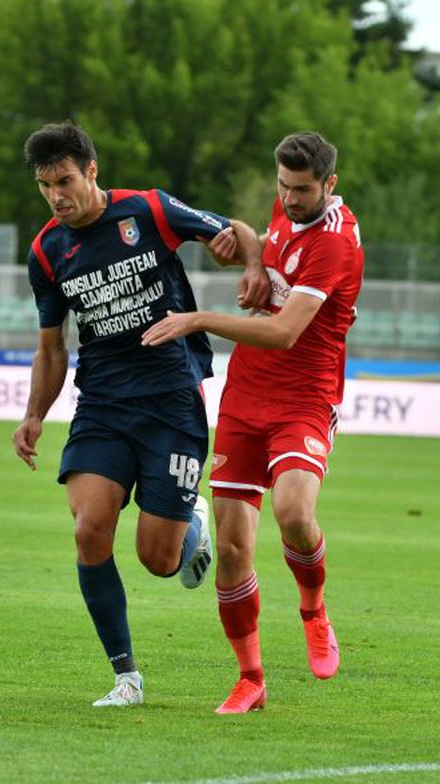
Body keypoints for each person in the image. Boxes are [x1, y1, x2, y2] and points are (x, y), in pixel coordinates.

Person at [12, 122, 266, 707]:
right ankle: (126, 676)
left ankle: (189, 526)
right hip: (102, 402)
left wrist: (249, 261)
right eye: (45, 185)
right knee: (88, 528)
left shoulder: (148, 210)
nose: (56, 195)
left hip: (171, 399)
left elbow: (237, 232)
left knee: (158, 559)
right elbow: (52, 346)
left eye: (65, 180)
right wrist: (33, 416)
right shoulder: (47, 252)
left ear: (92, 171)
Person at [143, 131, 363, 714]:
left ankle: (313, 609)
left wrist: (199, 320)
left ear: (329, 186)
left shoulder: (336, 244)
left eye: (303, 190)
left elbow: (285, 332)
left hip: (305, 396)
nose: (290, 199)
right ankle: (251, 679)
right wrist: (257, 260)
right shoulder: (286, 208)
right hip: (246, 396)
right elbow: (264, 238)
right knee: (236, 547)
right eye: (283, 188)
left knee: (294, 513)